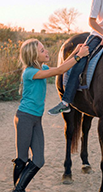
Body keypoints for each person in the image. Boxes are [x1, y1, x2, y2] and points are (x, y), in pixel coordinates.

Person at [12, 38, 89, 191]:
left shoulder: (42, 67)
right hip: (24, 118)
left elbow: (62, 67)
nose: (46, 51)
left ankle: (17, 189)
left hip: (36, 120)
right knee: (22, 159)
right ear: (34, 57)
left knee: (39, 161)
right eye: (42, 50)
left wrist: (75, 52)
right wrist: (78, 56)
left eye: (44, 48)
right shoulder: (30, 72)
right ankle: (18, 189)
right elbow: (59, 71)